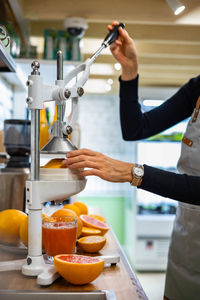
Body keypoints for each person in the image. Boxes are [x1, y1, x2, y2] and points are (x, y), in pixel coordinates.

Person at [62, 21, 200, 300]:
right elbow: (136, 128)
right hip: (187, 239)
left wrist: (132, 172)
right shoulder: (198, 88)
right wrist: (129, 70)